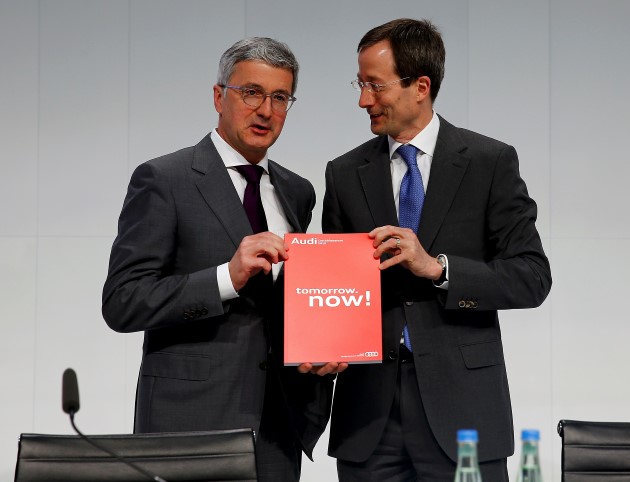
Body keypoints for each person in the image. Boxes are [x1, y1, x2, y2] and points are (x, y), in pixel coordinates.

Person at [321, 19, 552, 481]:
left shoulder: (490, 162)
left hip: (464, 412)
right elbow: (335, 289)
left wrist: (438, 268)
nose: (363, 100)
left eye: (374, 85)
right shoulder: (344, 173)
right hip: (369, 419)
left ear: (420, 86)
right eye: (360, 84)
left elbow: (531, 276)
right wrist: (323, 341)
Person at [102, 37, 338, 482]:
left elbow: (287, 302)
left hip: (278, 425)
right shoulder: (164, 179)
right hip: (189, 423)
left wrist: (323, 344)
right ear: (218, 96)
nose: (265, 110)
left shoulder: (297, 190)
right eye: (251, 92)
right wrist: (226, 277)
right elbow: (122, 301)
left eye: (280, 97)